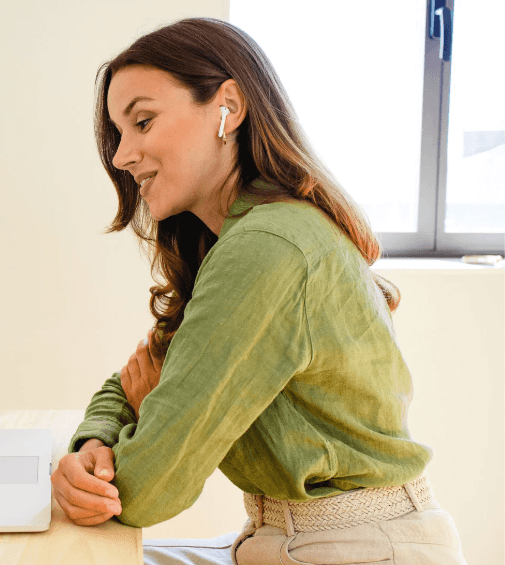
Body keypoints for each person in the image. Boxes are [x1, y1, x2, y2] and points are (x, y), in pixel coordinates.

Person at [49, 17, 467, 565]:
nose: (122, 156)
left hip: (354, 550)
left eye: (143, 122)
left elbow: (148, 488)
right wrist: (95, 443)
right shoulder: (242, 238)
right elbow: (132, 377)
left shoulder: (268, 247)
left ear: (230, 107)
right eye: (119, 134)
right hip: (290, 541)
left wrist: (124, 441)